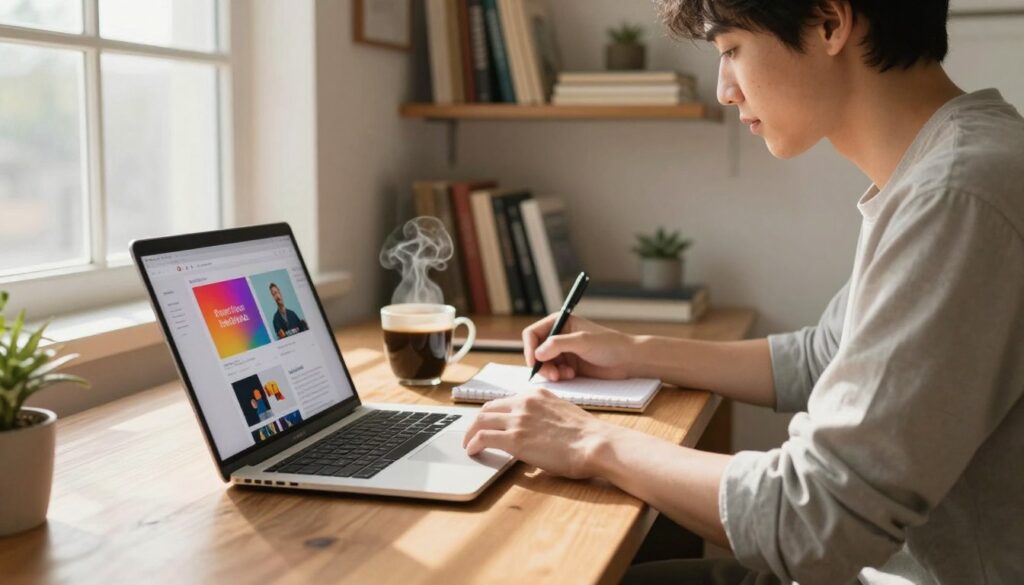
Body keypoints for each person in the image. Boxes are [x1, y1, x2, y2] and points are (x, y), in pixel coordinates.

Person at [461, 1, 1024, 583]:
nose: (724, 90)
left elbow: (814, 520)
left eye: (731, 50)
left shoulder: (957, 195)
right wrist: (634, 351)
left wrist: (589, 442)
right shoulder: (947, 166)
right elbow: (822, 354)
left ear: (830, 23)